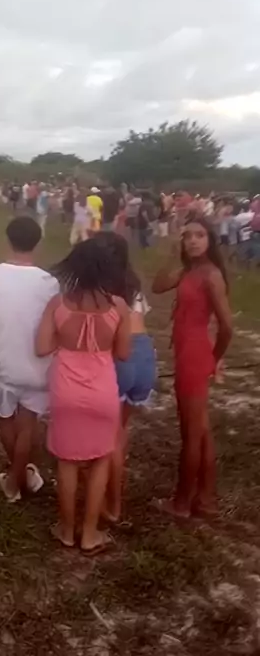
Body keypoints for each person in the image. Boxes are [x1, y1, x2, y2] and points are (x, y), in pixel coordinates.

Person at [36, 240, 130, 555]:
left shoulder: (58, 304)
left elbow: (42, 347)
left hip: (66, 390)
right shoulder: (119, 307)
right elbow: (123, 352)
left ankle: (66, 530)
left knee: (67, 461)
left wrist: (66, 341)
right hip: (102, 391)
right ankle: (89, 534)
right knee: (101, 459)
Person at [0, 217, 59, 502]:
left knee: (6, 419)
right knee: (27, 425)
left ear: (7, 240)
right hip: (37, 366)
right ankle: (21, 477)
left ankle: (14, 481)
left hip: (1, 365)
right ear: (38, 244)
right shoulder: (51, 283)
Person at [152, 217, 232, 519]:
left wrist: (214, 358)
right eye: (188, 236)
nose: (194, 241)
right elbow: (158, 286)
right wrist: (172, 252)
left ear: (210, 239)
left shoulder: (211, 275)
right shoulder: (189, 270)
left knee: (191, 433)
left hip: (195, 357)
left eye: (200, 235)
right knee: (201, 431)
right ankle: (205, 499)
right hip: (188, 354)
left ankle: (182, 503)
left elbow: (227, 326)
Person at [97, 233, 156, 524]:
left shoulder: (100, 287)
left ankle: (112, 505)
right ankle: (112, 492)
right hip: (145, 353)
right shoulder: (134, 283)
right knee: (121, 429)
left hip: (120, 354)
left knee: (112, 437)